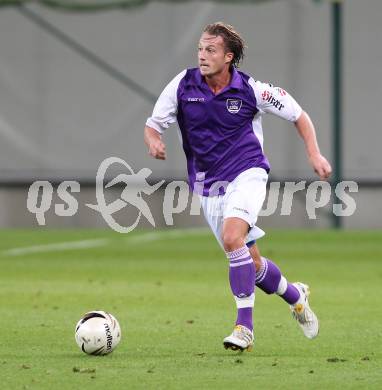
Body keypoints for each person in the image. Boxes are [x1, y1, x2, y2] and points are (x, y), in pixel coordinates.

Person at [144, 22, 332, 352]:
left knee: (233, 238)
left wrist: (314, 153)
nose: (202, 55)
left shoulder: (252, 91)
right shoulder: (182, 85)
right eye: (200, 49)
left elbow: (299, 115)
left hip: (248, 174)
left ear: (228, 57)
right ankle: (295, 295)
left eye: (210, 50)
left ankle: (244, 328)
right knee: (252, 265)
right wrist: (154, 141)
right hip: (207, 186)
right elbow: (152, 124)